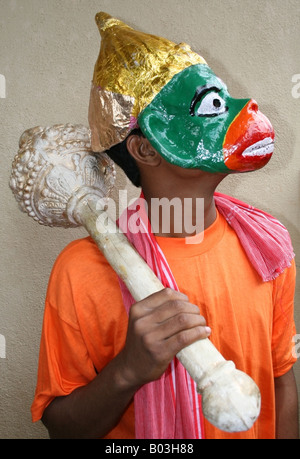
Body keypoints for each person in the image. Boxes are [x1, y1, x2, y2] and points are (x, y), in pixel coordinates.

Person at [31, 13, 298, 439]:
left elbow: (281, 377)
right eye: (210, 105)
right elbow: (62, 428)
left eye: (223, 98)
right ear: (145, 148)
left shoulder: (267, 245)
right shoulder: (80, 271)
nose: (240, 110)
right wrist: (129, 369)